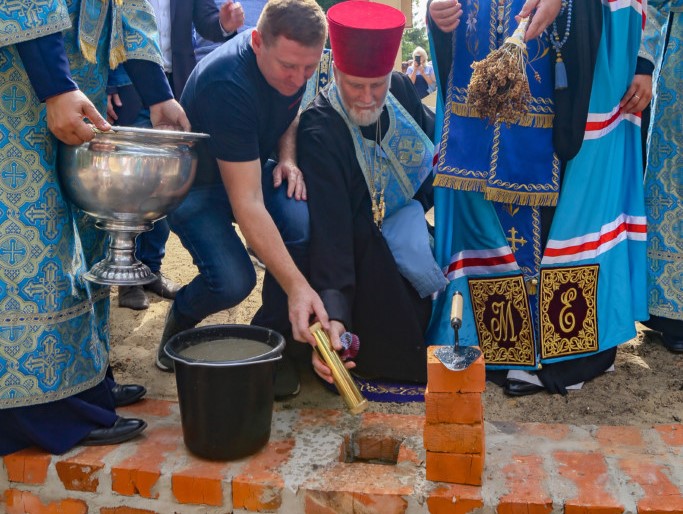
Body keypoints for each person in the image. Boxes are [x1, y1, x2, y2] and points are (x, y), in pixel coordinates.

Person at [426, 0, 652, 395]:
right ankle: (500, 346)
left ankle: (565, 353)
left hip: (567, 79)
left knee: (565, 204)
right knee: (486, 209)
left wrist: (642, 61)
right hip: (480, 81)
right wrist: (436, 12)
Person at [0, 0, 189, 454]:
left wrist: (157, 93)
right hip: (18, 89)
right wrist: (54, 87)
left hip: (73, 89)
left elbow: (129, 8)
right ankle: (31, 409)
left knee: (83, 240)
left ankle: (81, 383)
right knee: (32, 246)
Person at [157, 0, 330, 399]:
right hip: (195, 185)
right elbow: (247, 203)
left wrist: (287, 158)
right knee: (234, 281)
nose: (298, 77)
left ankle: (271, 337)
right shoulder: (228, 83)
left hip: (248, 166)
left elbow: (290, 110)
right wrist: (300, 286)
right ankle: (183, 311)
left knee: (299, 221)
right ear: (256, 42)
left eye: (308, 68)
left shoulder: (294, 61)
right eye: (289, 66)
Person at [298, 1, 445, 384]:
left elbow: (432, 167)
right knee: (395, 346)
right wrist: (335, 315)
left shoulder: (398, 89)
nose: (367, 98)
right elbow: (332, 234)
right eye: (355, 85)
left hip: (406, 227)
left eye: (375, 85)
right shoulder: (320, 127)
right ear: (337, 72)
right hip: (355, 246)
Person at [108, 0, 245, 311]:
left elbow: (208, 20)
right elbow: (103, 27)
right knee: (131, 185)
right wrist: (106, 83)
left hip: (174, 87)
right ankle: (127, 278)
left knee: (166, 183)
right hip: (128, 85)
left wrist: (224, 22)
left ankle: (150, 268)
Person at [640, 0, 683, 353]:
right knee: (673, 186)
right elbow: (654, 6)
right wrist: (644, 63)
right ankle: (671, 315)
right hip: (677, 79)